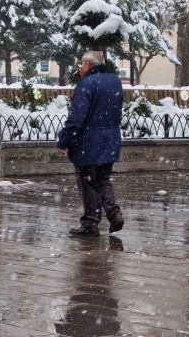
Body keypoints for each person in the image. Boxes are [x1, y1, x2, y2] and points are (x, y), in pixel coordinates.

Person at [57, 51, 125, 236]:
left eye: (81, 65)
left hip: (88, 141)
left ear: (88, 64)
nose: (80, 68)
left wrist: (65, 140)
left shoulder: (87, 83)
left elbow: (77, 118)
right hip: (110, 139)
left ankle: (90, 222)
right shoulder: (115, 81)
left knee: (87, 181)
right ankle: (114, 213)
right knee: (102, 179)